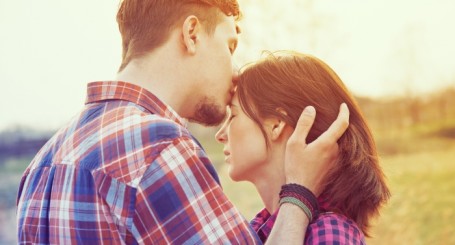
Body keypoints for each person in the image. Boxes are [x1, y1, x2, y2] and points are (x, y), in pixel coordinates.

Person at [15, 1, 349, 244]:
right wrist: (300, 192)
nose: (234, 72)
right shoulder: (158, 146)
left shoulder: (42, 163)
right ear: (191, 34)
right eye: (229, 46)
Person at [215, 51, 391, 244]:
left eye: (232, 116)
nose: (220, 135)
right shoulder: (259, 230)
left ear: (276, 124)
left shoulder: (331, 234)